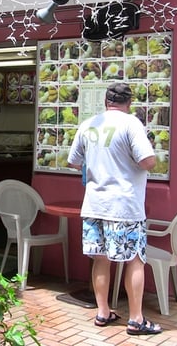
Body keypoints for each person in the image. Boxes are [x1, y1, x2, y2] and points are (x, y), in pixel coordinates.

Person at [67, 82, 162, 336]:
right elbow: (147, 161)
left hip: (94, 204)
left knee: (100, 259)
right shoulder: (132, 124)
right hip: (124, 206)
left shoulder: (88, 124)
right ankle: (136, 319)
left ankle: (102, 312)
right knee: (135, 260)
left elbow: (74, 162)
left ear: (106, 101)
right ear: (129, 103)